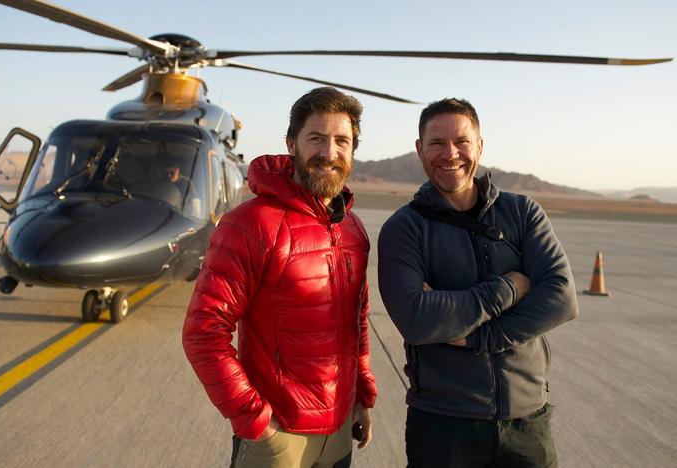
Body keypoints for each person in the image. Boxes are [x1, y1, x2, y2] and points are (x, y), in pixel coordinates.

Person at [377, 98, 579, 468]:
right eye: (436, 143)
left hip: (527, 424)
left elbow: (561, 297)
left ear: (480, 146)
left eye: (462, 141)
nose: (450, 153)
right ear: (420, 150)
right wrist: (511, 289)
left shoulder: (523, 212)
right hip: (444, 427)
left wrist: (477, 337)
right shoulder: (404, 229)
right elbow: (418, 320)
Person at [182, 87, 377, 468]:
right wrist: (253, 420)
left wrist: (362, 397)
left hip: (338, 433)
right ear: (292, 144)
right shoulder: (251, 224)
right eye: (316, 138)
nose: (329, 152)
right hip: (278, 437)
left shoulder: (352, 228)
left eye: (342, 141)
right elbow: (203, 331)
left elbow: (358, 321)